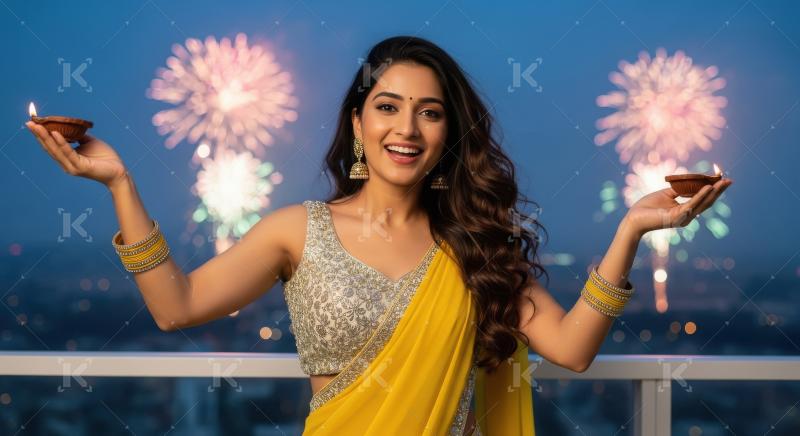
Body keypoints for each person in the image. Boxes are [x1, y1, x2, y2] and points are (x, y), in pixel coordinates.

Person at [26, 35, 732, 435]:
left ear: (449, 134)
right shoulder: (295, 231)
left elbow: (572, 349)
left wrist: (634, 228)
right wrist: (121, 186)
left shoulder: (474, 247)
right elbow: (174, 307)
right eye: (388, 107)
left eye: (430, 113)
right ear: (359, 121)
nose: (407, 128)